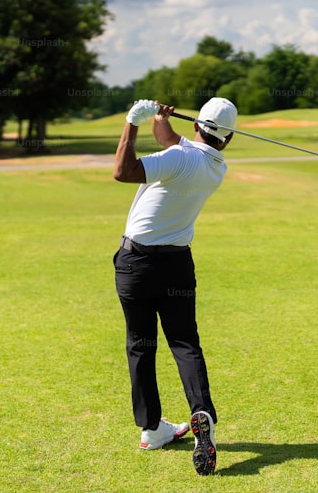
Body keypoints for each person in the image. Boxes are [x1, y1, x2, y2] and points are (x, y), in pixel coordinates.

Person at [112, 96, 237, 477]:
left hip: (136, 263)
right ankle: (201, 412)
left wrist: (132, 122)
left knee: (140, 343)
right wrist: (160, 118)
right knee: (184, 342)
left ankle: (151, 428)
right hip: (177, 263)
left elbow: (123, 170)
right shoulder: (215, 165)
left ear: (197, 126)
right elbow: (172, 142)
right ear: (227, 138)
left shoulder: (181, 159)